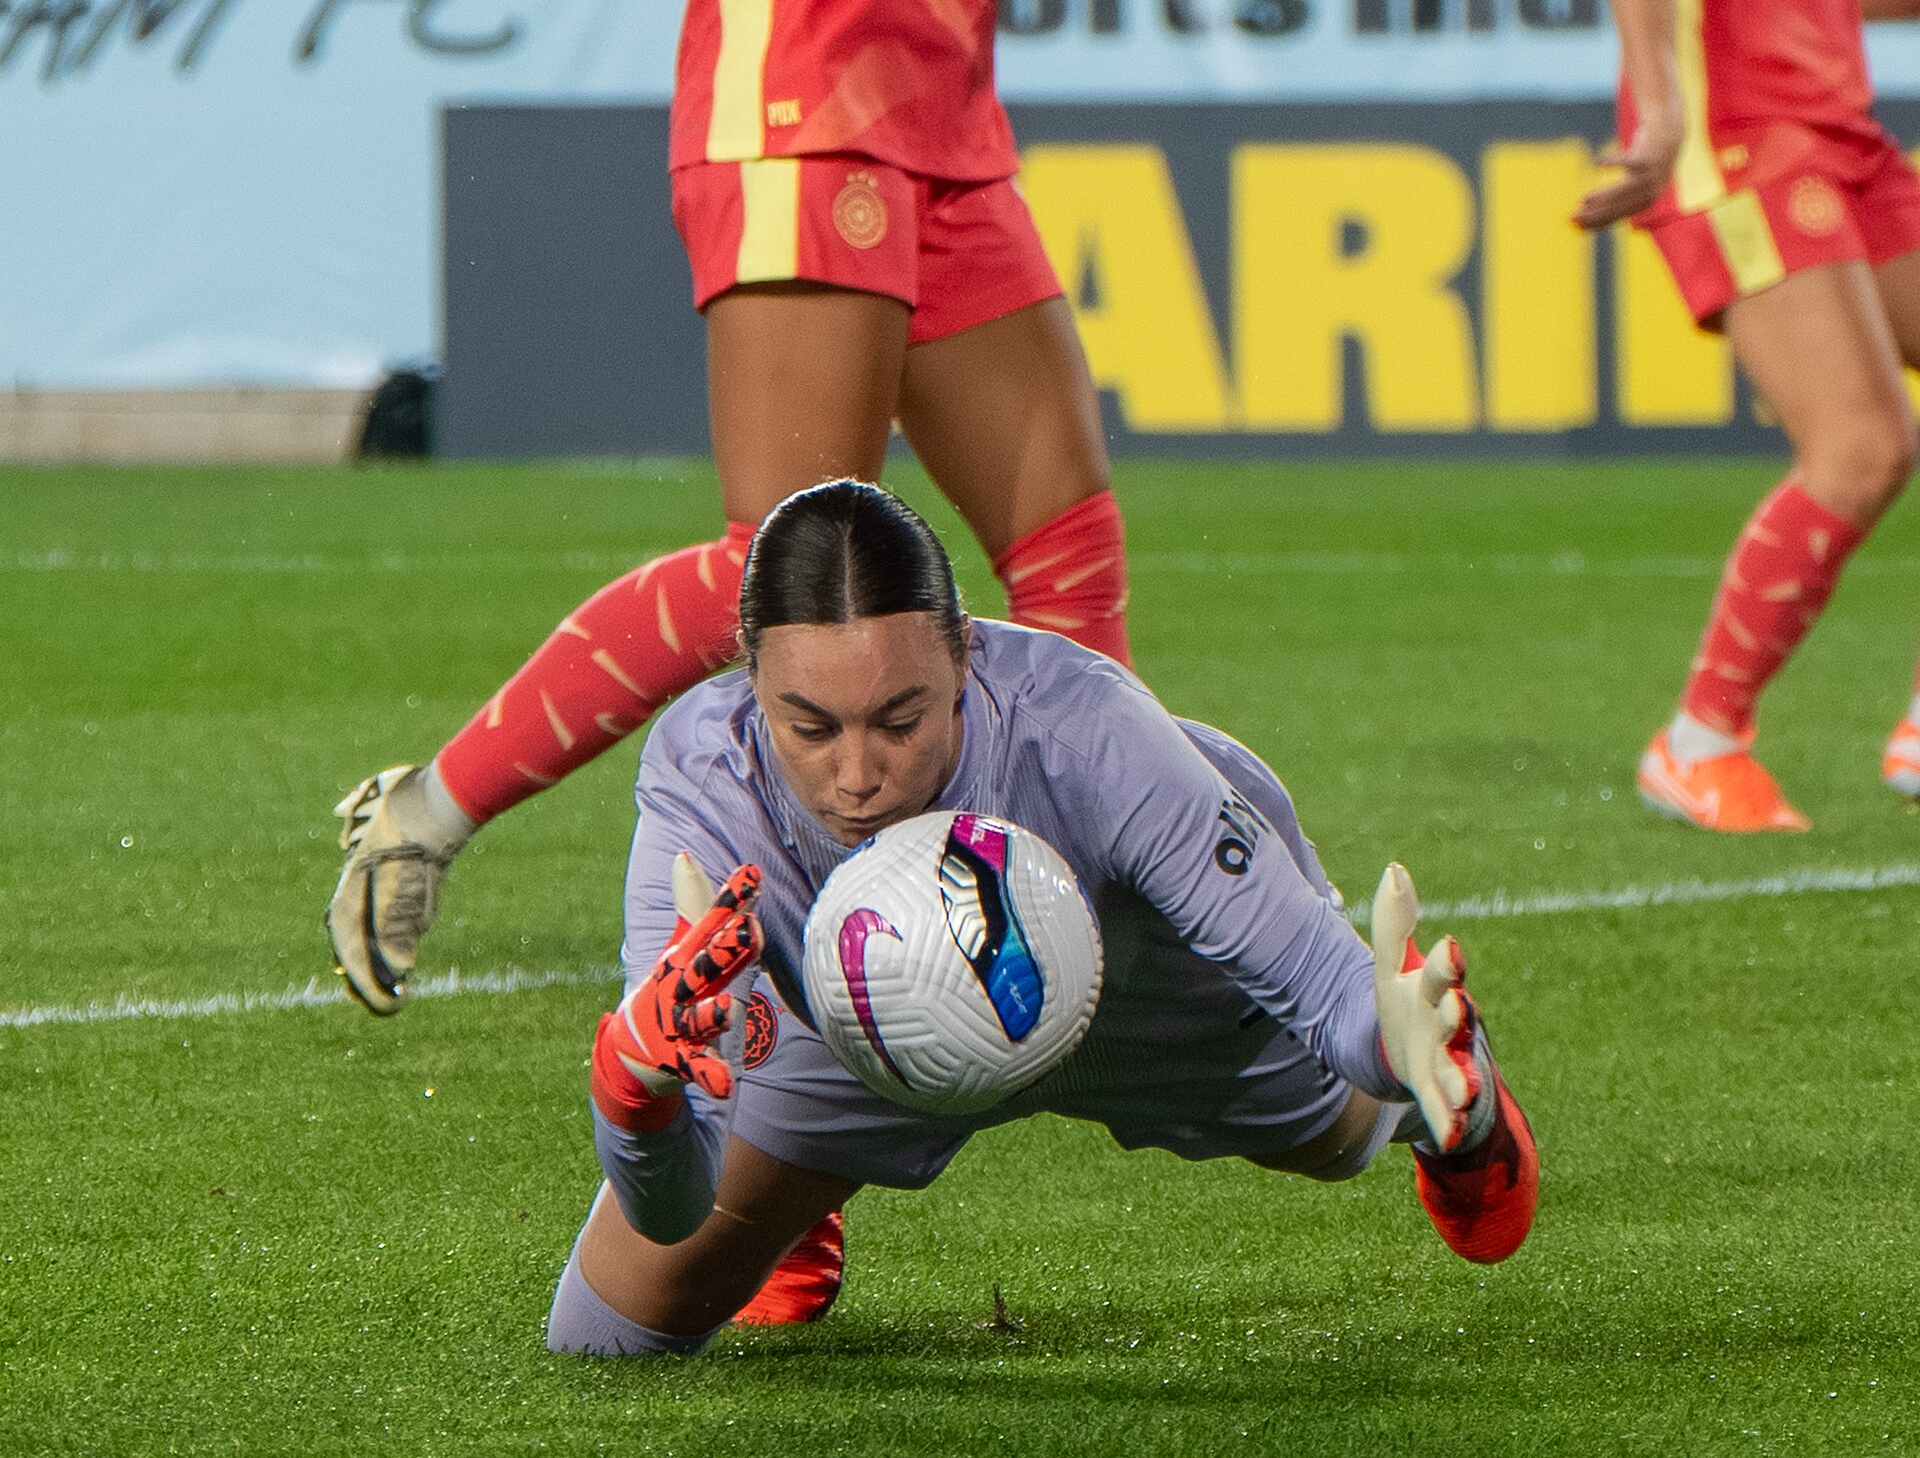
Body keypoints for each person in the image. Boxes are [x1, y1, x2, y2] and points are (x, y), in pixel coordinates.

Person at [325, 0, 1208, 1328]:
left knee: (1067, 562)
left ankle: (999, 962)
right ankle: (450, 817)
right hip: (792, 116)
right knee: (776, 589)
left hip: (948, 127)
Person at [542, 479, 1540, 1358]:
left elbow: (1325, 989)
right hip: (851, 1037)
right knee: (607, 1331)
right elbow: (667, 1199)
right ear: (749, 681)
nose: (856, 776)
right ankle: (810, 1196)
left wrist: (1390, 1036)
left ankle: (1459, 1099)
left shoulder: (1091, 735)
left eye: (901, 719)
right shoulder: (705, 788)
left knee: (1335, 1139)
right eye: (810, 728)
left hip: (1140, 985)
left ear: (967, 657)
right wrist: (637, 1100)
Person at [1576, 0, 1920, 831]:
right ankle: (1701, 735)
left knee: (1869, 442)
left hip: (1839, 134)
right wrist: (1658, 113)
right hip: (1743, 142)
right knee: (1860, 446)